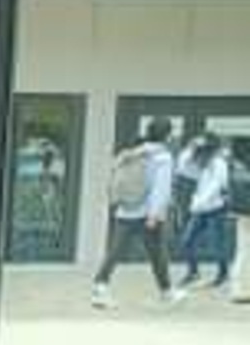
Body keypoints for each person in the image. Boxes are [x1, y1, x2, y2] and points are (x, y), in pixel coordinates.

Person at [90, 119, 176, 309]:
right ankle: (167, 293)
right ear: (167, 136)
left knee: (114, 252)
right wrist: (154, 214)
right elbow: (161, 189)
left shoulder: (133, 152)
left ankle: (99, 289)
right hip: (147, 213)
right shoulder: (163, 157)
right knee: (157, 254)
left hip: (125, 210)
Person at [174, 133, 240, 301]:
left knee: (217, 243)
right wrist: (189, 148)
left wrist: (198, 203)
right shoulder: (201, 163)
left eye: (203, 149)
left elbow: (216, 186)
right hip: (200, 209)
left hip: (215, 209)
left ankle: (223, 273)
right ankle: (193, 272)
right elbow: (182, 167)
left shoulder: (219, 164)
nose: (200, 154)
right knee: (187, 240)